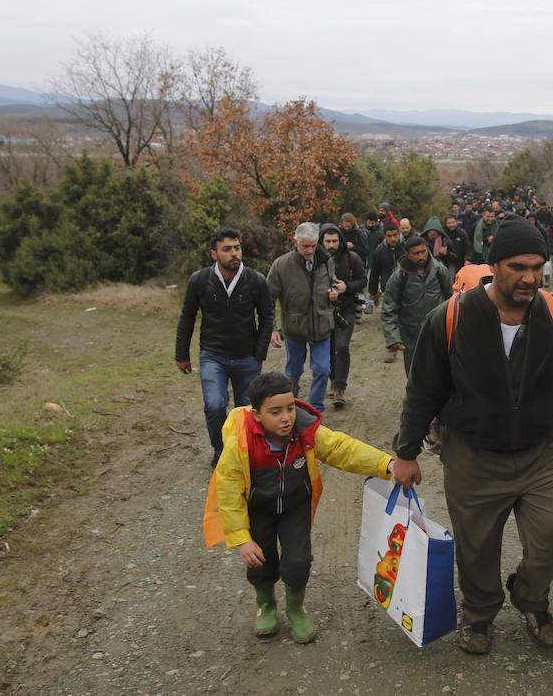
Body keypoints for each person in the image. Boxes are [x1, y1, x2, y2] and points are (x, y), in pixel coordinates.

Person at [389, 216, 553, 655]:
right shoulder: (450, 319)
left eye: (537, 266)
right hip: (473, 454)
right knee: (476, 546)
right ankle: (479, 615)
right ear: (495, 266)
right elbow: (423, 392)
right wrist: (406, 451)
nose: (530, 276)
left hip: (540, 452)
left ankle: (530, 598)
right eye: (518, 266)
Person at [206, 372, 408, 643]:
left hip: (295, 507)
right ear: (257, 416)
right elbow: (228, 492)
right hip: (257, 509)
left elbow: (341, 448)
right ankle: (266, 605)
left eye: (290, 408)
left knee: (298, 560)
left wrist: (387, 464)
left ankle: (295, 608)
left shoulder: (305, 431)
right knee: (259, 561)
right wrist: (241, 539)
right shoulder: (240, 444)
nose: (286, 417)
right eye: (275, 412)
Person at [175, 228, 273, 468]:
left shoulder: (255, 279)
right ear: (214, 254)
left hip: (247, 357)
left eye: (237, 248)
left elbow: (267, 318)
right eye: (226, 249)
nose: (234, 253)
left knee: (245, 409)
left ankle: (243, 451)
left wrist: (258, 355)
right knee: (214, 404)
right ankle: (220, 450)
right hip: (213, 355)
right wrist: (182, 355)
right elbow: (187, 317)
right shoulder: (199, 280)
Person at [266, 222, 336, 413]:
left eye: (313, 245)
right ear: (295, 241)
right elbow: (267, 299)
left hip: (321, 324)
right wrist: (272, 328)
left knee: (322, 370)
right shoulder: (281, 265)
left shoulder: (326, 261)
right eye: (305, 246)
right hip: (294, 328)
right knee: (293, 372)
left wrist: (336, 292)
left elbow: (333, 284)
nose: (309, 250)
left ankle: (315, 410)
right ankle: (292, 404)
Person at [380, 236, 452, 376]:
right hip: (411, 332)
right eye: (416, 253)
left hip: (437, 329)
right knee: (415, 373)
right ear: (408, 255)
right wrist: (393, 338)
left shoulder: (439, 270)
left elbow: (451, 297)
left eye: (423, 251)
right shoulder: (399, 276)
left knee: (440, 370)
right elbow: (389, 308)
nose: (421, 256)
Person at [319, 223, 366, 408]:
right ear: (321, 241)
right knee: (328, 349)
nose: (331, 244)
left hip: (346, 309)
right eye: (328, 241)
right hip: (322, 311)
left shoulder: (351, 258)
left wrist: (347, 287)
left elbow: (363, 279)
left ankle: (340, 388)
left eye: (335, 241)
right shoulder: (315, 261)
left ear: (340, 241)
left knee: (342, 345)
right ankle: (333, 379)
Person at [368, 221, 407, 363]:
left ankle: (407, 344)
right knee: (389, 318)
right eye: (389, 236)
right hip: (387, 289)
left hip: (406, 288)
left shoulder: (406, 248)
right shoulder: (379, 250)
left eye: (395, 235)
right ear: (385, 236)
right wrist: (372, 290)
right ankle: (392, 348)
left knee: (405, 318)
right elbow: (374, 272)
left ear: (399, 234)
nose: (392, 239)